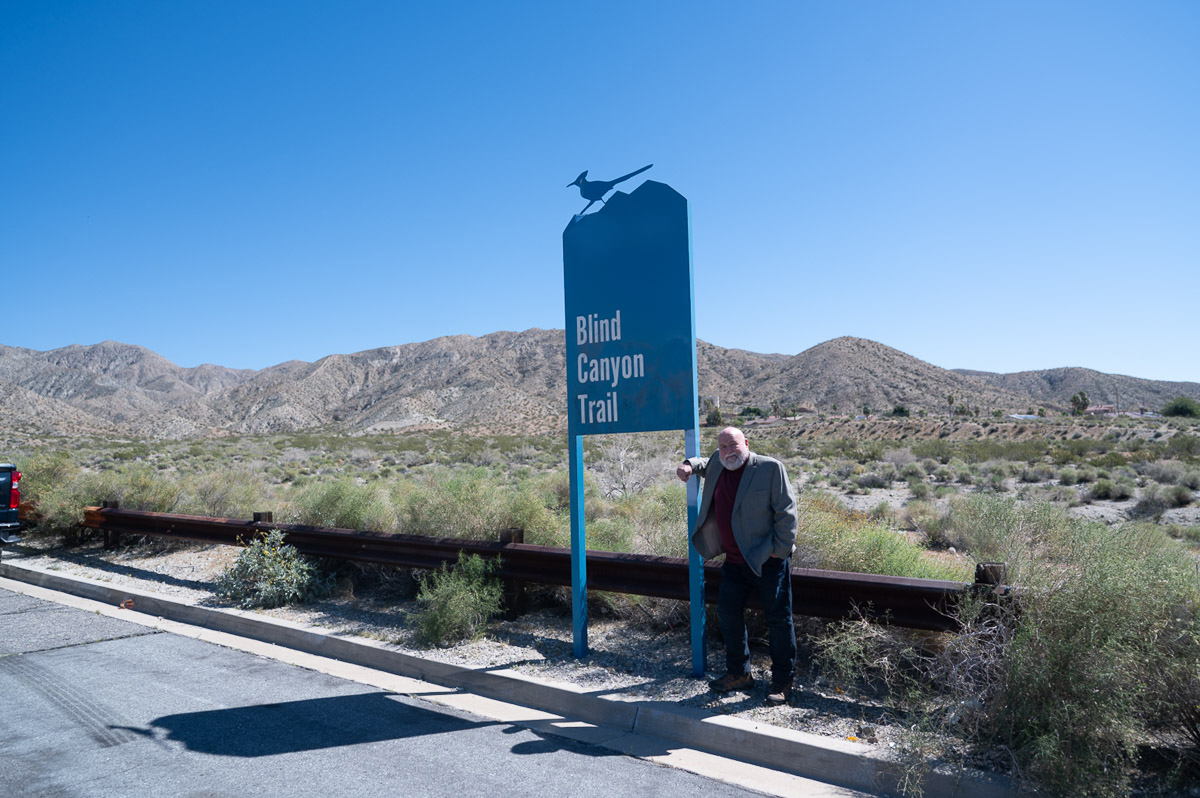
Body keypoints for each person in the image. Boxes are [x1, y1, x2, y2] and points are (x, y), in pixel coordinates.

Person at [676, 426, 798, 704]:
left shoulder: (770, 468)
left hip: (768, 561)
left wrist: (779, 552)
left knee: (779, 620)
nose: (729, 451)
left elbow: (787, 513)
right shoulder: (719, 463)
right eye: (723, 447)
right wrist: (689, 465)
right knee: (728, 614)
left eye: (733, 445)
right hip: (734, 561)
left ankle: (782, 682)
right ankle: (740, 674)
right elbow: (705, 463)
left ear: (746, 443)